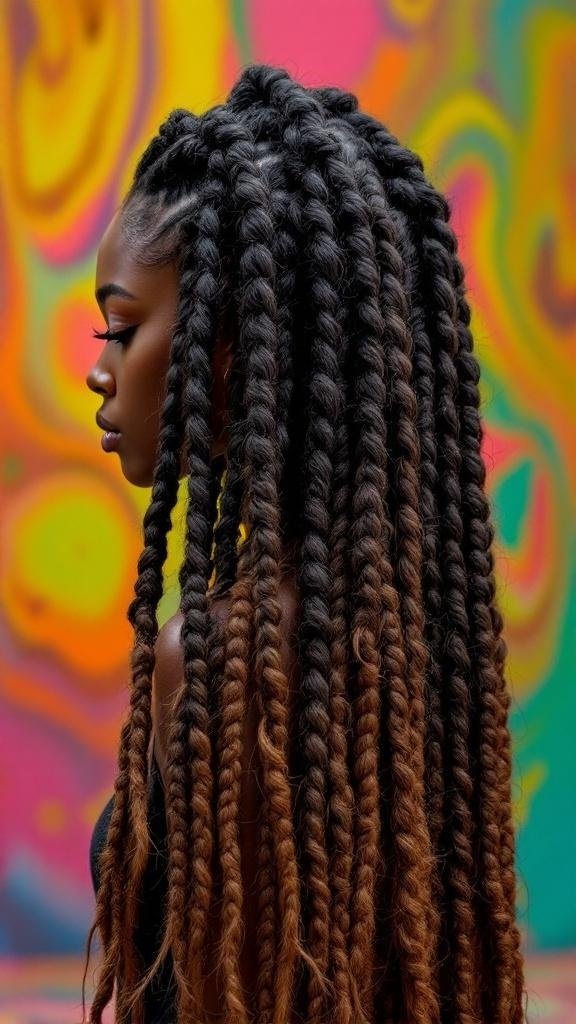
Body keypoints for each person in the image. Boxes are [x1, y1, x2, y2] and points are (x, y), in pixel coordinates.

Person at [82, 62, 526, 1024]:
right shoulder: (421, 633)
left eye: (121, 328)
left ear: (228, 346)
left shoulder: (218, 659)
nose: (99, 370)